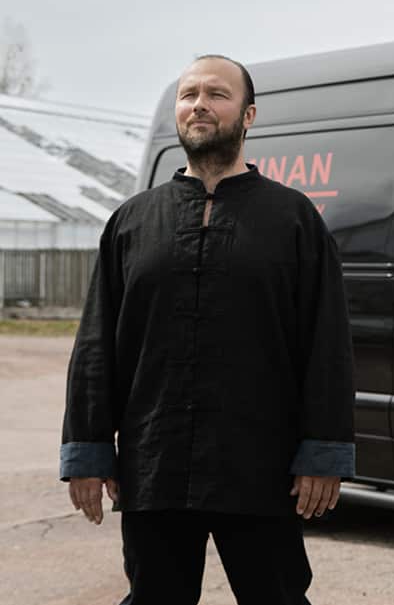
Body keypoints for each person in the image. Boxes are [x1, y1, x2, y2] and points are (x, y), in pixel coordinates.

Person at [60, 54, 355, 605]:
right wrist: (88, 450)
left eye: (217, 94)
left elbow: (327, 344)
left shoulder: (293, 219)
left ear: (248, 115)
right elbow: (97, 344)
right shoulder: (131, 221)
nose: (200, 104)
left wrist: (323, 450)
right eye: (188, 94)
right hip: (155, 464)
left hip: (261, 465)